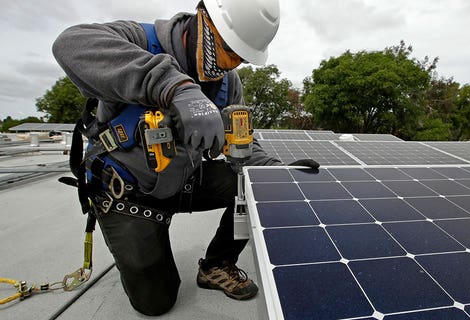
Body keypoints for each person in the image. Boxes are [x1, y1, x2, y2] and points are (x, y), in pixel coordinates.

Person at [52, 0, 317, 316]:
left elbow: (242, 143)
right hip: (130, 193)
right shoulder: (139, 40)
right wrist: (174, 86)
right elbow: (69, 44)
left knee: (253, 186)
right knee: (156, 303)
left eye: (241, 58)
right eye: (229, 49)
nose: (232, 63)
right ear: (204, 19)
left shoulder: (227, 83)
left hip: (185, 180)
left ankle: (217, 264)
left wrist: (274, 172)